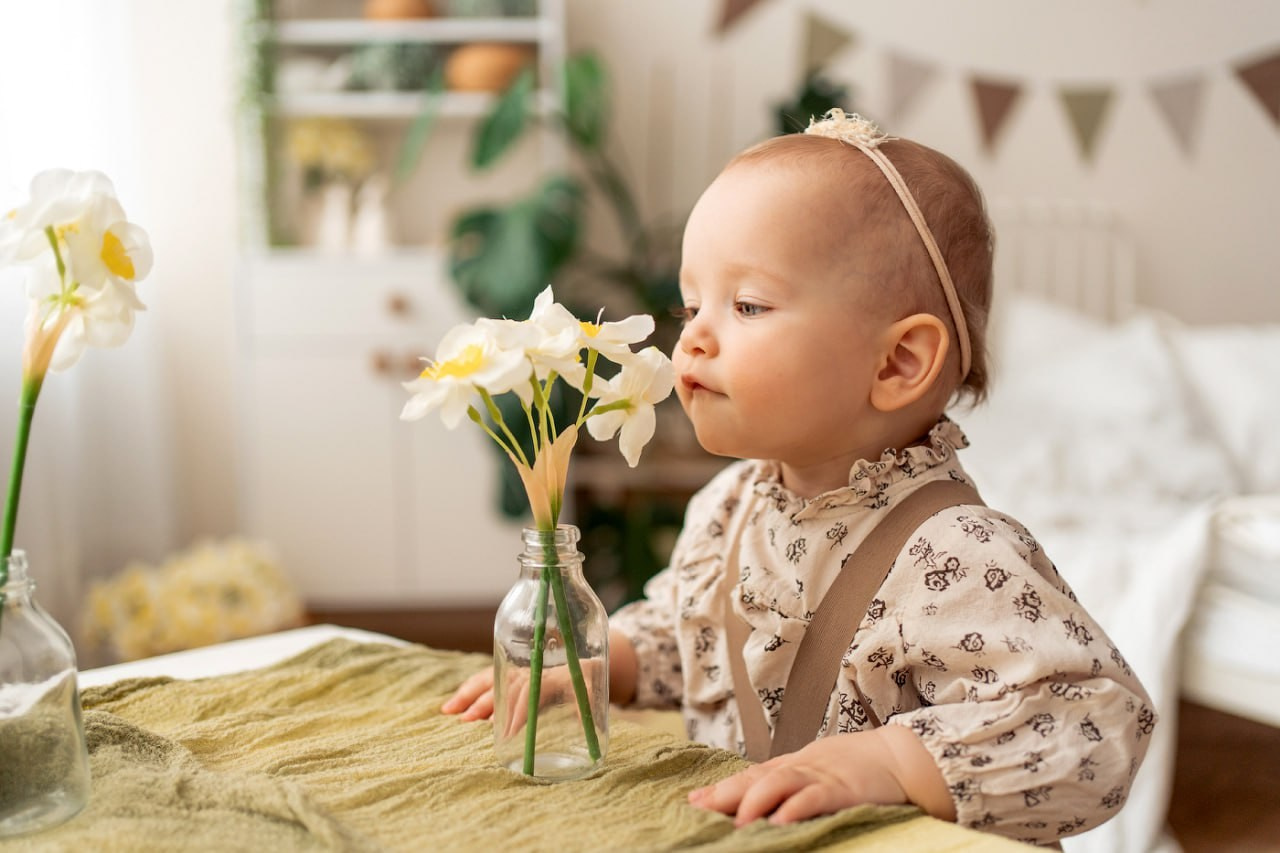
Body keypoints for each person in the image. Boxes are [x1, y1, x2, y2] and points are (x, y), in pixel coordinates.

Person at [444, 109, 1155, 847]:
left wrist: (882, 762)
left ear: (897, 364)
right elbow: (693, 633)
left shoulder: (958, 551)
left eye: (747, 305)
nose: (693, 336)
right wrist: (603, 666)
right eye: (690, 306)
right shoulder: (727, 507)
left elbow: (1096, 719)